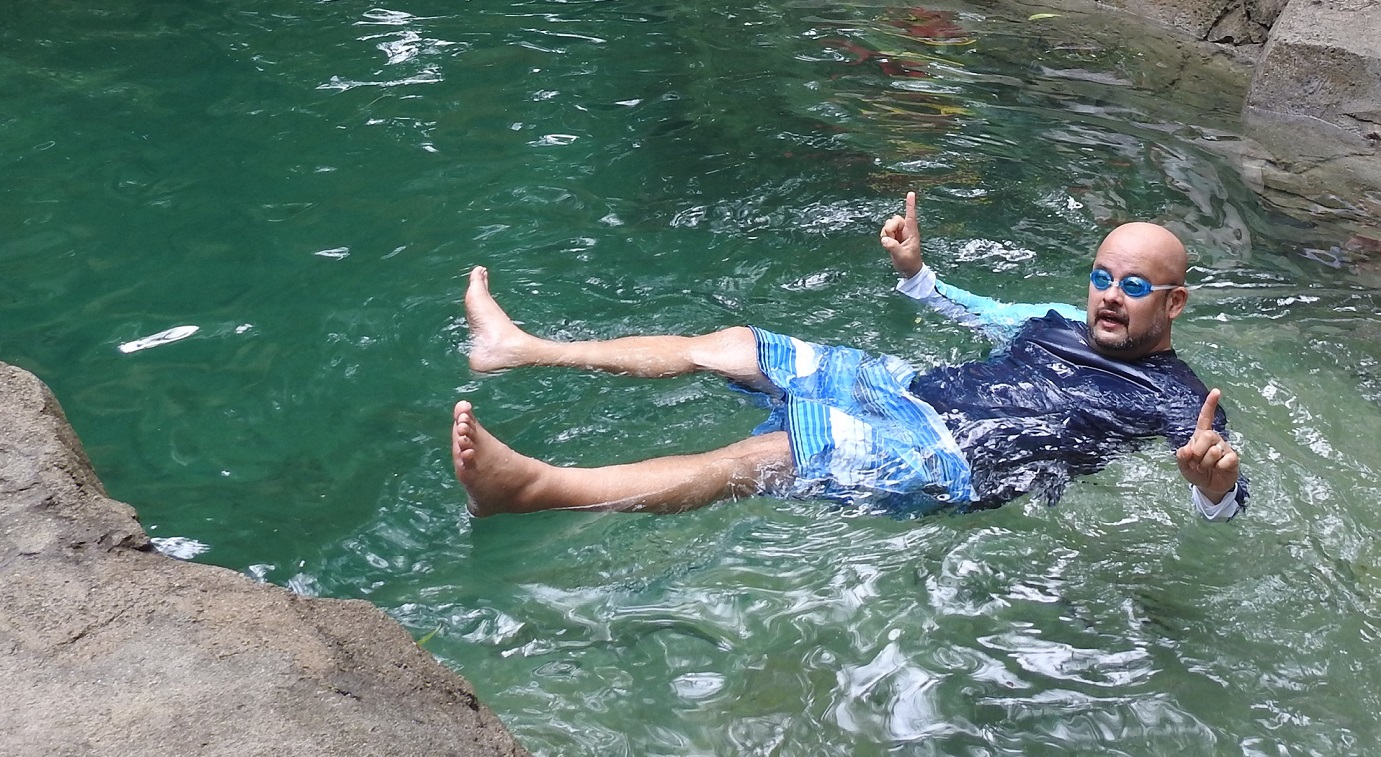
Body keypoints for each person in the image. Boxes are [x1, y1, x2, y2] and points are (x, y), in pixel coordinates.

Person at [448, 193, 1244, 520]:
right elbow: (960, 306)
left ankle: (538, 489)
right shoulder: (1052, 319)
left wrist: (1215, 488)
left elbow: (1229, 498)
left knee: (772, 453)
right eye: (1102, 276)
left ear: (1172, 302)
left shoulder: (1177, 398)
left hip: (957, 457)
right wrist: (916, 272)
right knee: (732, 346)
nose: (1109, 294)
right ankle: (519, 347)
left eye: (1133, 285)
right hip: (914, 389)